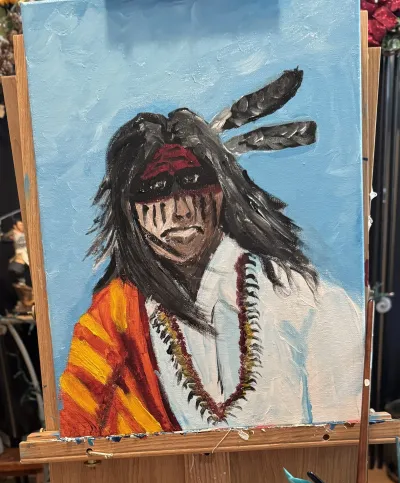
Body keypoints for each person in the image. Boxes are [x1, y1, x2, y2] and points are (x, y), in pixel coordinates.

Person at [59, 71, 363, 437]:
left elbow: (342, 441)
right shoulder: (113, 320)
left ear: (222, 190)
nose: (179, 209)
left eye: (192, 181)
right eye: (154, 188)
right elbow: (79, 437)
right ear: (129, 209)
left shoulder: (306, 301)